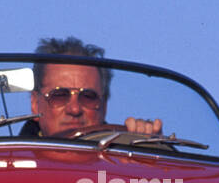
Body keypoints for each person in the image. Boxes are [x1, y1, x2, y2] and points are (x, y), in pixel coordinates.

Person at [20, 36, 162, 137]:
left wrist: (150, 149)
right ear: (35, 104)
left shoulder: (123, 161)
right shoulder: (9, 165)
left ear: (104, 105)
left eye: (88, 97)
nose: (74, 109)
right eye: (59, 96)